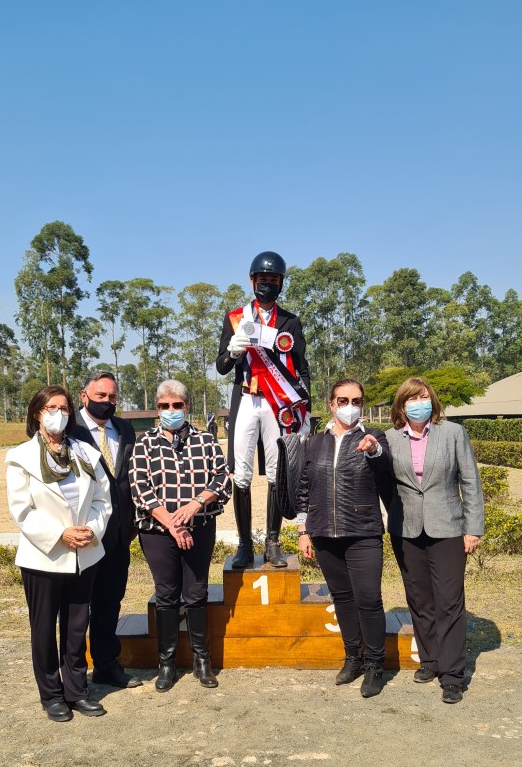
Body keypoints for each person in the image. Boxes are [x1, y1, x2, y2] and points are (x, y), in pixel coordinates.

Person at [5, 386, 112, 722]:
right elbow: (22, 510)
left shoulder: (85, 453)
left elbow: (102, 499)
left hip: (83, 554)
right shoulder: (21, 458)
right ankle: (51, 695)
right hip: (44, 556)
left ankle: (77, 691)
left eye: (64, 408)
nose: (59, 414)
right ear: (37, 413)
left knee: (77, 627)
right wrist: (60, 534)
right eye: (51, 407)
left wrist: (92, 529)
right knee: (43, 629)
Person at [386, 377, 484, 704]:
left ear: (433, 401)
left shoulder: (453, 433)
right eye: (412, 399)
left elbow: (470, 482)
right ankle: (430, 661)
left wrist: (473, 528)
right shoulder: (390, 439)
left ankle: (452, 675)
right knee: (419, 599)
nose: (419, 404)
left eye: (424, 397)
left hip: (449, 528)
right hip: (406, 530)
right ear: (402, 405)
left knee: (449, 601)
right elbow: (386, 486)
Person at [129, 380, 231, 692]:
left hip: (199, 527)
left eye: (176, 405)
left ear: (186, 407)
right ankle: (167, 662)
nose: (171, 410)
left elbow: (222, 479)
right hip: (158, 531)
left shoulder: (206, 440)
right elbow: (140, 488)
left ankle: (202, 660)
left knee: (197, 593)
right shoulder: (145, 443)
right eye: (164, 406)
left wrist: (195, 504)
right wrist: (174, 525)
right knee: (166, 594)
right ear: (157, 409)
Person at [295, 379, 392, 698]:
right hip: (324, 533)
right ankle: (353, 658)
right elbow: (304, 487)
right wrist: (303, 530)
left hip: (363, 531)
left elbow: (385, 468)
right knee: (343, 598)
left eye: (356, 401)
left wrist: (374, 451)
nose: (350, 406)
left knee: (369, 599)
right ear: (331, 403)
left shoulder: (373, 436)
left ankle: (375, 665)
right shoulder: (314, 442)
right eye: (343, 400)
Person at [216, 251, 311, 568]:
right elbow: (221, 366)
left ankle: (272, 542)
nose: (267, 285)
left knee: (276, 470)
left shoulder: (290, 321)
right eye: (262, 279)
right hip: (246, 398)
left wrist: (305, 408)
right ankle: (244, 544)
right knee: (241, 473)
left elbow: (301, 366)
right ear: (252, 280)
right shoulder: (235, 318)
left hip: (277, 404)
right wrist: (232, 353)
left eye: (273, 280)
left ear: (281, 283)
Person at [73, 371, 140, 689]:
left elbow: (128, 477)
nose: (107, 402)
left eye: (112, 397)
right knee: (76, 608)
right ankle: (74, 674)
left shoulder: (125, 428)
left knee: (109, 602)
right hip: (83, 533)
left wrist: (133, 523)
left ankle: (106, 665)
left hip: (119, 535)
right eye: (100, 396)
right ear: (84, 396)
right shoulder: (70, 429)